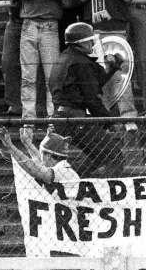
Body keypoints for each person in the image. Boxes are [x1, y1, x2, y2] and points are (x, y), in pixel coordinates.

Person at [8, 0, 76, 134]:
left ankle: (52, 121)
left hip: (49, 26)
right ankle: (28, 121)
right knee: (27, 76)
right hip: (28, 25)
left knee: (51, 77)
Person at [49, 22, 125, 177]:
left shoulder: (64, 58)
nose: (92, 43)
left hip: (61, 118)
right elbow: (92, 100)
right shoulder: (82, 63)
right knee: (115, 156)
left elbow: (89, 86)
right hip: (75, 120)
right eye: (90, 40)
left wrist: (112, 68)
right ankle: (105, 196)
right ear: (81, 42)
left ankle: (71, 180)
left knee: (96, 157)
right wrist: (111, 121)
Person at [0, 126, 81, 185]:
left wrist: (10, 146)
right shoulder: (63, 168)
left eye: (42, 153)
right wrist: (27, 143)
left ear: (48, 156)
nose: (40, 157)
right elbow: (39, 160)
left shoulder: (62, 171)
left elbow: (33, 169)